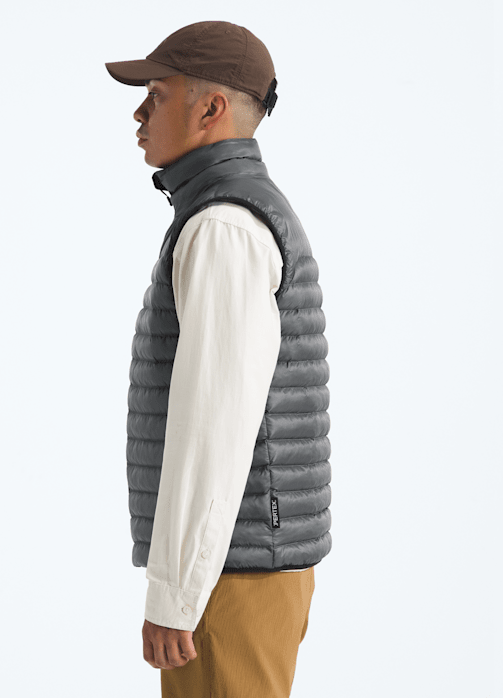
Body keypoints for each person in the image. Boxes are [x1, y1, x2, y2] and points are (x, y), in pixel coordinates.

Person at [105, 20, 332, 698]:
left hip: (231, 577)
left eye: (156, 94)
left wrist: (176, 593)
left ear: (210, 109)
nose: (139, 113)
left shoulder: (222, 226)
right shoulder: (222, 214)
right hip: (241, 565)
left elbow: (214, 425)